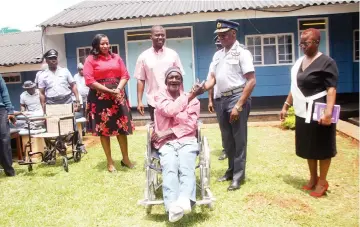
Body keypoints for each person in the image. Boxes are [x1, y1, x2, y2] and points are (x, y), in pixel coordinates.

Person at [280, 28, 338, 197]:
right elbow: (295, 87)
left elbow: (331, 89)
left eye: (307, 42)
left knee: (323, 145)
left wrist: (328, 112)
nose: (303, 46)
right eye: (301, 43)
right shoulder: (299, 63)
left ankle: (322, 181)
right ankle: (313, 178)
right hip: (302, 110)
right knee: (308, 146)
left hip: (319, 110)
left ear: (317, 42)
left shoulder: (327, 62)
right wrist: (286, 105)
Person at [202, 19, 256, 191]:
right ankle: (231, 171)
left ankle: (238, 177)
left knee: (238, 139)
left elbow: (251, 80)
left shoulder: (242, 53)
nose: (221, 38)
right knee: (227, 139)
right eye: (219, 35)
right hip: (220, 99)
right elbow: (212, 79)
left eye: (224, 35)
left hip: (236, 97)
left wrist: (239, 105)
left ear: (233, 34)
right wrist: (200, 89)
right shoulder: (218, 55)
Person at [152, 66, 202, 222]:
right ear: (166, 80)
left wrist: (166, 132)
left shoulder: (194, 100)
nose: (174, 80)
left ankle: (185, 200)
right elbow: (169, 110)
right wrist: (189, 96)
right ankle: (173, 206)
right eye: (171, 77)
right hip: (166, 144)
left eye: (178, 78)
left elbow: (190, 125)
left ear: (182, 81)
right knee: (170, 166)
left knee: (186, 166)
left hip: (187, 140)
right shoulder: (159, 96)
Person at [83, 34, 134, 172]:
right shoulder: (90, 60)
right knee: (104, 131)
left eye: (107, 43)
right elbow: (89, 80)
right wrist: (108, 91)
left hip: (118, 96)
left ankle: (125, 158)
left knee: (122, 129)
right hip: (100, 99)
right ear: (96, 46)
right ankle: (110, 161)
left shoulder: (116, 57)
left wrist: (117, 89)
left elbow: (125, 75)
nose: (105, 46)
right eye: (102, 44)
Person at [134, 25, 185, 121]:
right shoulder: (143, 57)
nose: (160, 37)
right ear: (151, 37)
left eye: (163, 35)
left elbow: (180, 78)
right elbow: (140, 79)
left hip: (173, 100)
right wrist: (139, 101)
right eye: (157, 35)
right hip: (154, 101)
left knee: (175, 129)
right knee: (158, 131)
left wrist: (182, 98)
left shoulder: (173, 54)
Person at [207, 36, 227, 161]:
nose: (219, 47)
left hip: (233, 98)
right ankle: (226, 150)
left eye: (221, 45)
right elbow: (211, 82)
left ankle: (236, 151)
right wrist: (210, 100)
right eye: (218, 45)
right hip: (219, 99)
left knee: (235, 128)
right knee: (223, 127)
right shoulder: (214, 61)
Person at [0, 75, 16, 176]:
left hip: (1, 110)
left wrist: (10, 110)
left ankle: (9, 170)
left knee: (4, 138)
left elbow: (4, 92)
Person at [73, 63, 89, 136]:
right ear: (78, 70)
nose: (82, 71)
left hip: (87, 97)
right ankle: (82, 129)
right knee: (81, 113)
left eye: (83, 69)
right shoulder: (75, 77)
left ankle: (88, 128)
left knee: (87, 112)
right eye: (80, 70)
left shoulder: (87, 75)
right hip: (79, 98)